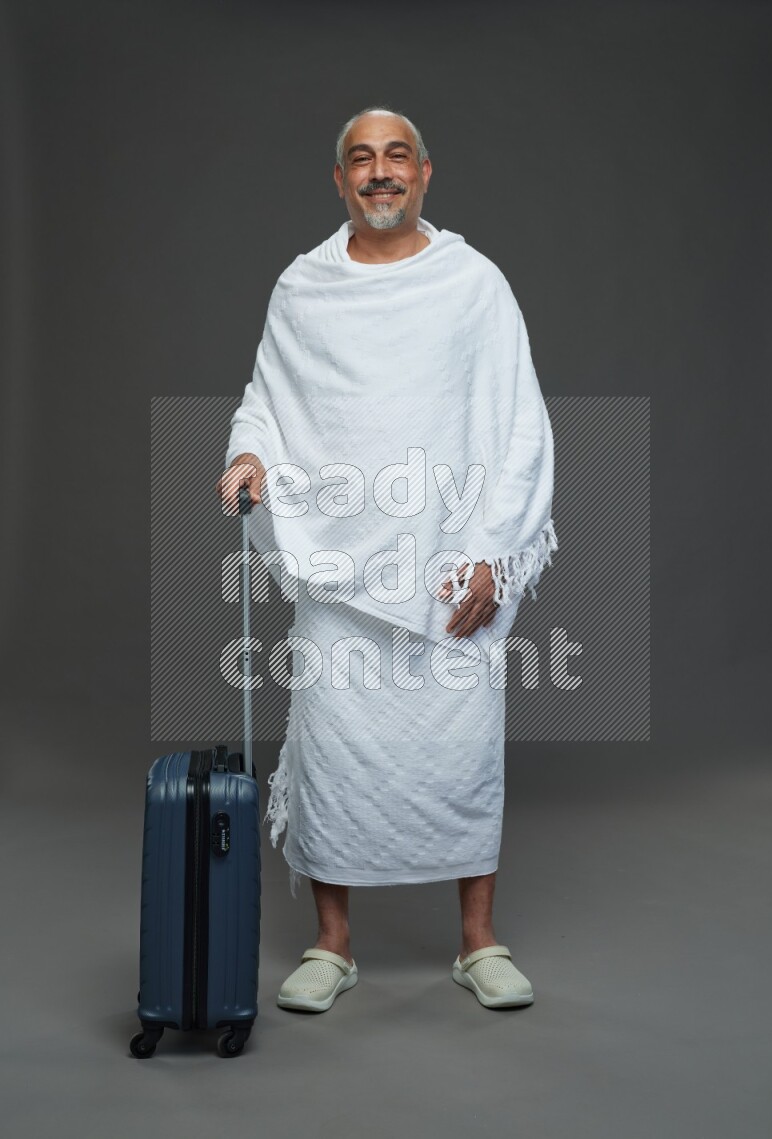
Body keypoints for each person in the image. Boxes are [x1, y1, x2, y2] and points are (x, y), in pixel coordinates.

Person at [215, 105, 557, 1012]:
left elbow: (519, 423)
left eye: (395, 157)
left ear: (425, 173)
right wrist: (249, 453)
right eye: (360, 160)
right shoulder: (303, 288)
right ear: (339, 181)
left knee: (462, 751)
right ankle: (333, 943)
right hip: (340, 568)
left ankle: (478, 941)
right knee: (337, 751)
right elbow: (265, 398)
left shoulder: (474, 283)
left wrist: (493, 554)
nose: (379, 173)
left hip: (449, 569)